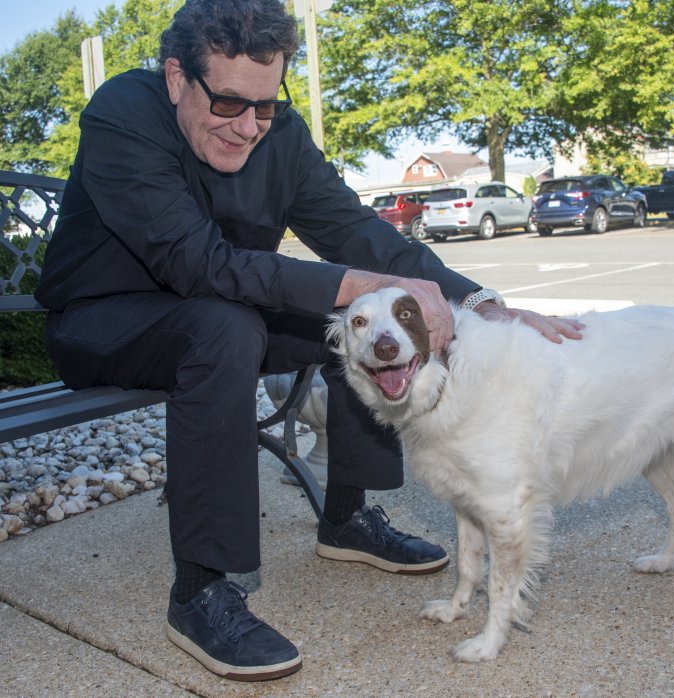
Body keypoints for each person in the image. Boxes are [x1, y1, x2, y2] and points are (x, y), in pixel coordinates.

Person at [36, 0, 582, 682]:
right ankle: (202, 590)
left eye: (264, 107)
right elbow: (196, 263)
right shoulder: (125, 113)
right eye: (230, 103)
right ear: (178, 77)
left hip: (217, 307)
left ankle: (347, 518)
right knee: (239, 323)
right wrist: (355, 286)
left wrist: (484, 303)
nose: (248, 128)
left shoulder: (280, 133)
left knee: (345, 329)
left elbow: (362, 234)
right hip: (104, 320)